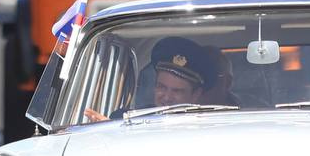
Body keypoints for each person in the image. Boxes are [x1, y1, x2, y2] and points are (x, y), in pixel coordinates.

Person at [84, 36, 217, 122]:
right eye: (162, 87)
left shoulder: (211, 125)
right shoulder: (126, 120)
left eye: (177, 91)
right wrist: (109, 132)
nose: (167, 97)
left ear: (196, 94)